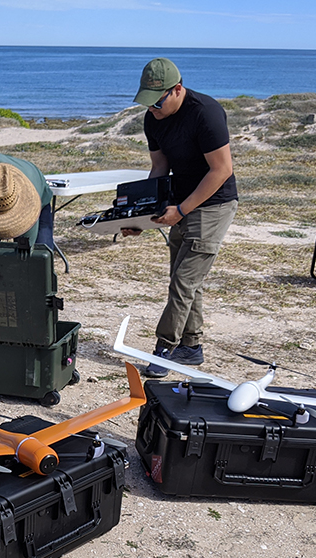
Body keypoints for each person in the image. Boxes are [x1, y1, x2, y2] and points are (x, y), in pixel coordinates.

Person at [124, 58, 238, 378]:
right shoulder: (153, 119)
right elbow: (159, 170)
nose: (152, 109)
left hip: (213, 204)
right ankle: (191, 346)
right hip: (180, 203)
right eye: (147, 102)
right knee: (186, 279)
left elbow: (222, 170)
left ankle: (165, 349)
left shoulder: (206, 113)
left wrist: (183, 210)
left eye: (157, 101)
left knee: (184, 281)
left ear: (177, 89)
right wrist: (142, 215)